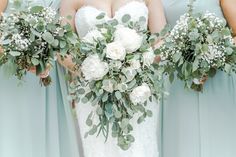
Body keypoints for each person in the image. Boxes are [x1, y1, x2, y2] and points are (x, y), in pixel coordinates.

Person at [59, 0, 166, 156]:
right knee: (98, 147)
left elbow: (162, 40)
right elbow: (62, 47)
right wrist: (92, 71)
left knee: (139, 147)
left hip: (138, 88)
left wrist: (136, 64)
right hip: (91, 91)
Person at [0, 0, 79, 157]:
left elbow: (67, 36)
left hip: (52, 75)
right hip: (14, 75)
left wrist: (73, 82)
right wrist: (22, 59)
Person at [160, 0, 236, 157]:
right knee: (183, 140)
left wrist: (214, 55)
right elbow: (160, 38)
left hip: (218, 76)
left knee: (221, 138)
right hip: (179, 79)